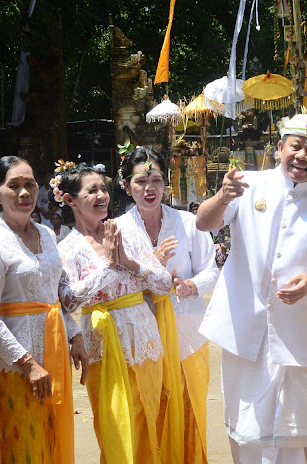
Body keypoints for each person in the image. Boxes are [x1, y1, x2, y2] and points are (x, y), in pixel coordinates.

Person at [196, 109, 307, 463]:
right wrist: (223, 197)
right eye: (296, 147)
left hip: (302, 336)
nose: (303, 156)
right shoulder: (246, 184)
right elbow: (203, 223)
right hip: (246, 330)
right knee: (248, 426)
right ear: (280, 147)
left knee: (302, 428)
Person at [56, 165, 172, 463]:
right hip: (103, 347)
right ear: (70, 200)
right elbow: (68, 301)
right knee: (115, 428)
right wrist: (108, 264)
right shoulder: (67, 248)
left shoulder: (128, 233)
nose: (101, 196)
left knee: (150, 423)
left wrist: (131, 263)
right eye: (91, 190)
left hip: (144, 341)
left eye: (103, 189)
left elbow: (163, 284)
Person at [0, 156, 88, 464]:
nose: (23, 192)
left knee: (53, 441)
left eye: (29, 184)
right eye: (13, 185)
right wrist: (28, 364)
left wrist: (76, 335)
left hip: (53, 357)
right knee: (25, 448)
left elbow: (54, 295)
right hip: (17, 366)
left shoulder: (47, 234)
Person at [117, 147, 219, 463]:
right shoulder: (118, 228)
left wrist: (191, 285)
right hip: (140, 336)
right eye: (141, 181)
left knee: (190, 412)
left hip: (187, 332)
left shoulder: (188, 222)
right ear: (125, 185)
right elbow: (114, 282)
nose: (150, 189)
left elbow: (211, 271)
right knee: (147, 411)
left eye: (157, 180)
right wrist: (149, 270)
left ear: (167, 183)